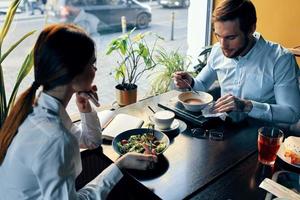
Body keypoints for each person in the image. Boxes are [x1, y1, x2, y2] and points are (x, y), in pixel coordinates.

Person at [0, 24, 157, 199]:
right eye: (92, 63)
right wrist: (120, 165)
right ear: (73, 74)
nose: (96, 70)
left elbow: (92, 141)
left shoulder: (40, 108)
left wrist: (85, 108)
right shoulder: (55, 138)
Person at [174, 0, 300, 124]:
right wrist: (190, 82)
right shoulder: (217, 50)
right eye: (218, 35)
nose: (223, 45)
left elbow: (291, 113)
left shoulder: (281, 59)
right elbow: (201, 84)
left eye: (231, 37)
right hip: (225, 130)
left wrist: (246, 106)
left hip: (263, 136)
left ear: (251, 29)